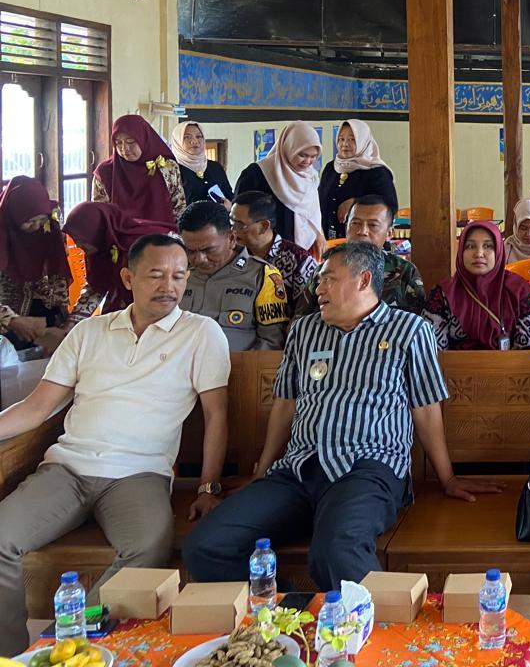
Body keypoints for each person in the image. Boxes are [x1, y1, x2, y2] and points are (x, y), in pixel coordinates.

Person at [183, 242, 500, 592]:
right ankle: (294, 609)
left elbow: (425, 408)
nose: (318, 288)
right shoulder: (304, 330)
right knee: (205, 546)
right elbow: (285, 404)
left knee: (335, 551)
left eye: (329, 279)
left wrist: (447, 477)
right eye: (320, 280)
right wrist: (262, 473)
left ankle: (384, 623)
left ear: (364, 280)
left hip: (368, 470)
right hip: (298, 470)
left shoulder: (408, 330)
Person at [0, 235, 229, 656]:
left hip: (139, 475)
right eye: (156, 275)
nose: (169, 286)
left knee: (147, 546)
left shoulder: (200, 334)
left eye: (179, 276)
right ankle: (12, 656)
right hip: (67, 469)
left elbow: (217, 414)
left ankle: (66, 647)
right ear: (128, 278)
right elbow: (36, 408)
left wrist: (207, 486)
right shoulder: (89, 332)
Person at [178, 201, 288, 352]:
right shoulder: (178, 275)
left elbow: (271, 341)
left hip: (238, 365)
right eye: (190, 251)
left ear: (231, 238)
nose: (199, 259)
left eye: (209, 250)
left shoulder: (262, 275)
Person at [301, 197, 427, 317]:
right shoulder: (324, 271)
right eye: (356, 223)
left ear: (389, 233)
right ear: (346, 227)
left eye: (373, 225)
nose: (362, 231)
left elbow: (417, 323)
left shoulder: (404, 271)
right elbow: (301, 319)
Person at [423, 222, 530, 349]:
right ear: (461, 251)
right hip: (455, 363)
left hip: (512, 363)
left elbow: (528, 351)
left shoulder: (519, 291)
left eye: (488, 246)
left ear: (499, 251)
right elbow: (432, 352)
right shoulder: (442, 294)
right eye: (470, 246)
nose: (479, 253)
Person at [63, 203, 176, 322]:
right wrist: (72, 322)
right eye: (75, 240)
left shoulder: (147, 244)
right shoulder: (99, 249)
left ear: (97, 230)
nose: (78, 245)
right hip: (123, 316)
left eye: (81, 240)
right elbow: (96, 287)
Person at [0, 176, 70, 351]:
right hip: (7, 316)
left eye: (41, 220)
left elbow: (58, 270)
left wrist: (63, 313)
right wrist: (10, 319)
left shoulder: (50, 226)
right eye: (30, 221)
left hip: (43, 309)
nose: (36, 226)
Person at [233, 122, 323, 256]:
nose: (308, 161)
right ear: (288, 148)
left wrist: (319, 234)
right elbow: (239, 213)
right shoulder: (257, 174)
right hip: (263, 251)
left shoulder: (311, 176)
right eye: (303, 155)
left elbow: (313, 211)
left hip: (303, 251)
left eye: (313, 156)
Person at [230, 191, 318, 320]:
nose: (233, 230)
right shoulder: (231, 253)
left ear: (264, 226)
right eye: (231, 222)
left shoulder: (299, 261)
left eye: (240, 225)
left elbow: (307, 311)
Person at [92, 115, 185, 228]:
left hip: (163, 235)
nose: (124, 148)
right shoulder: (105, 172)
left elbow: (179, 207)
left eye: (131, 141)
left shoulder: (165, 166)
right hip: (121, 236)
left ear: (144, 138)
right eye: (118, 143)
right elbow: (101, 214)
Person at [318, 120, 398, 240]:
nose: (345, 144)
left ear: (363, 142)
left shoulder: (377, 171)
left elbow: (390, 205)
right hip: (331, 239)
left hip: (366, 242)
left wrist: (356, 202)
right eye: (341, 139)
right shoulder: (331, 168)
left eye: (352, 139)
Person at [169, 122, 233, 208]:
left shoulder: (215, 167)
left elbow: (229, 195)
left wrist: (229, 205)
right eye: (187, 137)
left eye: (199, 136)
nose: (195, 141)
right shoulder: (172, 171)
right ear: (178, 142)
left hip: (219, 216)